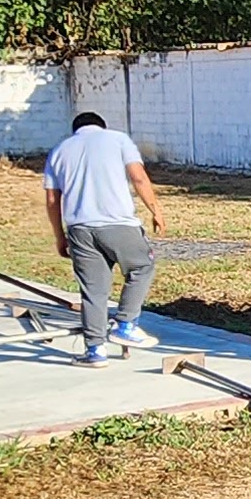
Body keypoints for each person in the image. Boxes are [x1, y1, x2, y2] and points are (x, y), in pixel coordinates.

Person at [43, 110, 166, 363]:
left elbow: (52, 199)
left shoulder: (59, 150)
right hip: (118, 224)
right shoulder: (118, 139)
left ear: (75, 130)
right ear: (102, 127)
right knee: (142, 266)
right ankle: (125, 325)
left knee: (93, 291)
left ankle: (95, 350)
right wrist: (156, 210)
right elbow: (139, 177)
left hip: (80, 229)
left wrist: (60, 236)